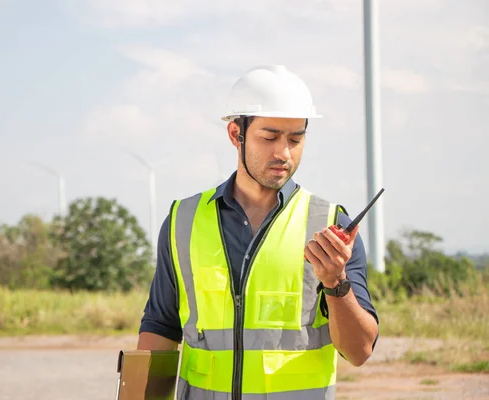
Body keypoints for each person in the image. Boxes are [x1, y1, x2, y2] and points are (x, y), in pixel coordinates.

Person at [136, 65, 379, 400]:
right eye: (269, 137)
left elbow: (360, 351)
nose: (284, 153)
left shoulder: (330, 225)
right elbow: (160, 329)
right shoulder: (183, 221)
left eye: (296, 139)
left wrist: (336, 282)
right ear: (236, 133)